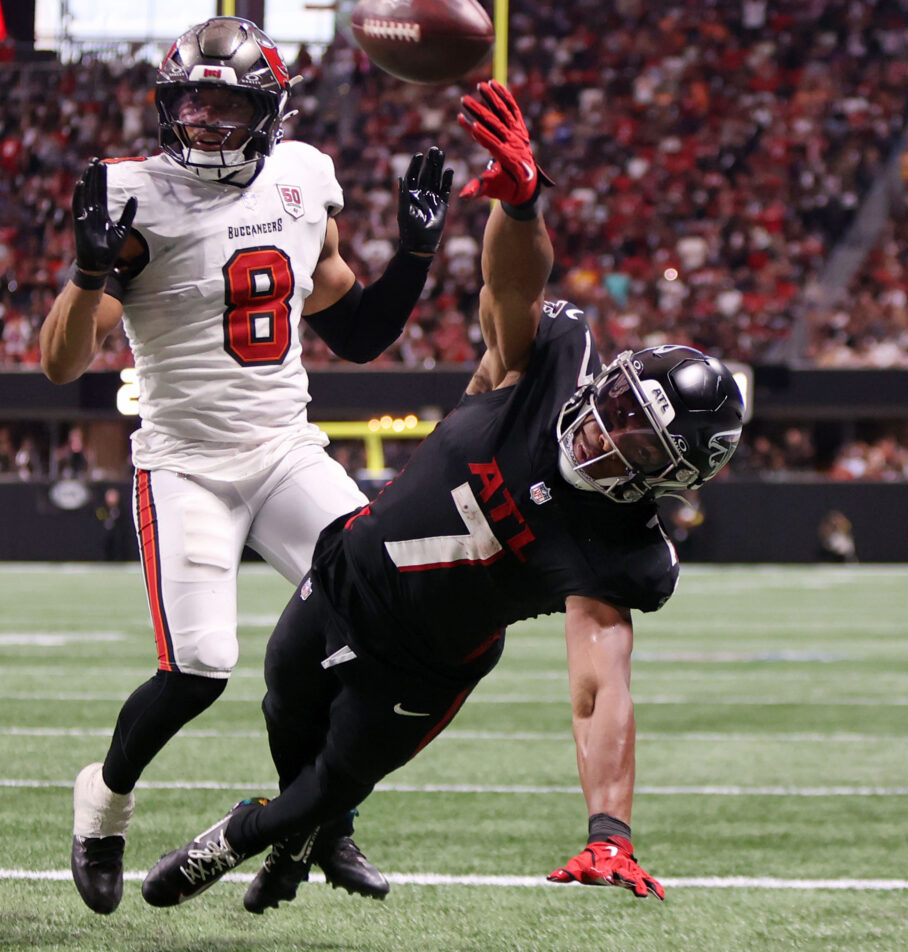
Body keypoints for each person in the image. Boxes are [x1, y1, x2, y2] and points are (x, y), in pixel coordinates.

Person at [139, 81, 745, 914]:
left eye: (639, 443)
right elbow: (511, 292)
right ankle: (306, 847)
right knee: (284, 698)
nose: (608, 435)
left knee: (324, 785)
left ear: (669, 476)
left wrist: (611, 827)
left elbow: (600, 688)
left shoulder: (622, 549)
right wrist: (525, 205)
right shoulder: (544, 371)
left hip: (427, 664)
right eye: (618, 408)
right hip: (348, 568)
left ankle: (242, 839)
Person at [39, 17, 452, 916]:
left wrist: (416, 255)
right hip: (184, 462)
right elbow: (62, 362)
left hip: (283, 450)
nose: (206, 122)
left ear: (268, 112)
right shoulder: (128, 194)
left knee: (377, 615)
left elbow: (356, 333)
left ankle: (323, 822)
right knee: (200, 666)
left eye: (227, 104)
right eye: (191, 101)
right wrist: (83, 274)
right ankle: (103, 802)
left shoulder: (304, 176)